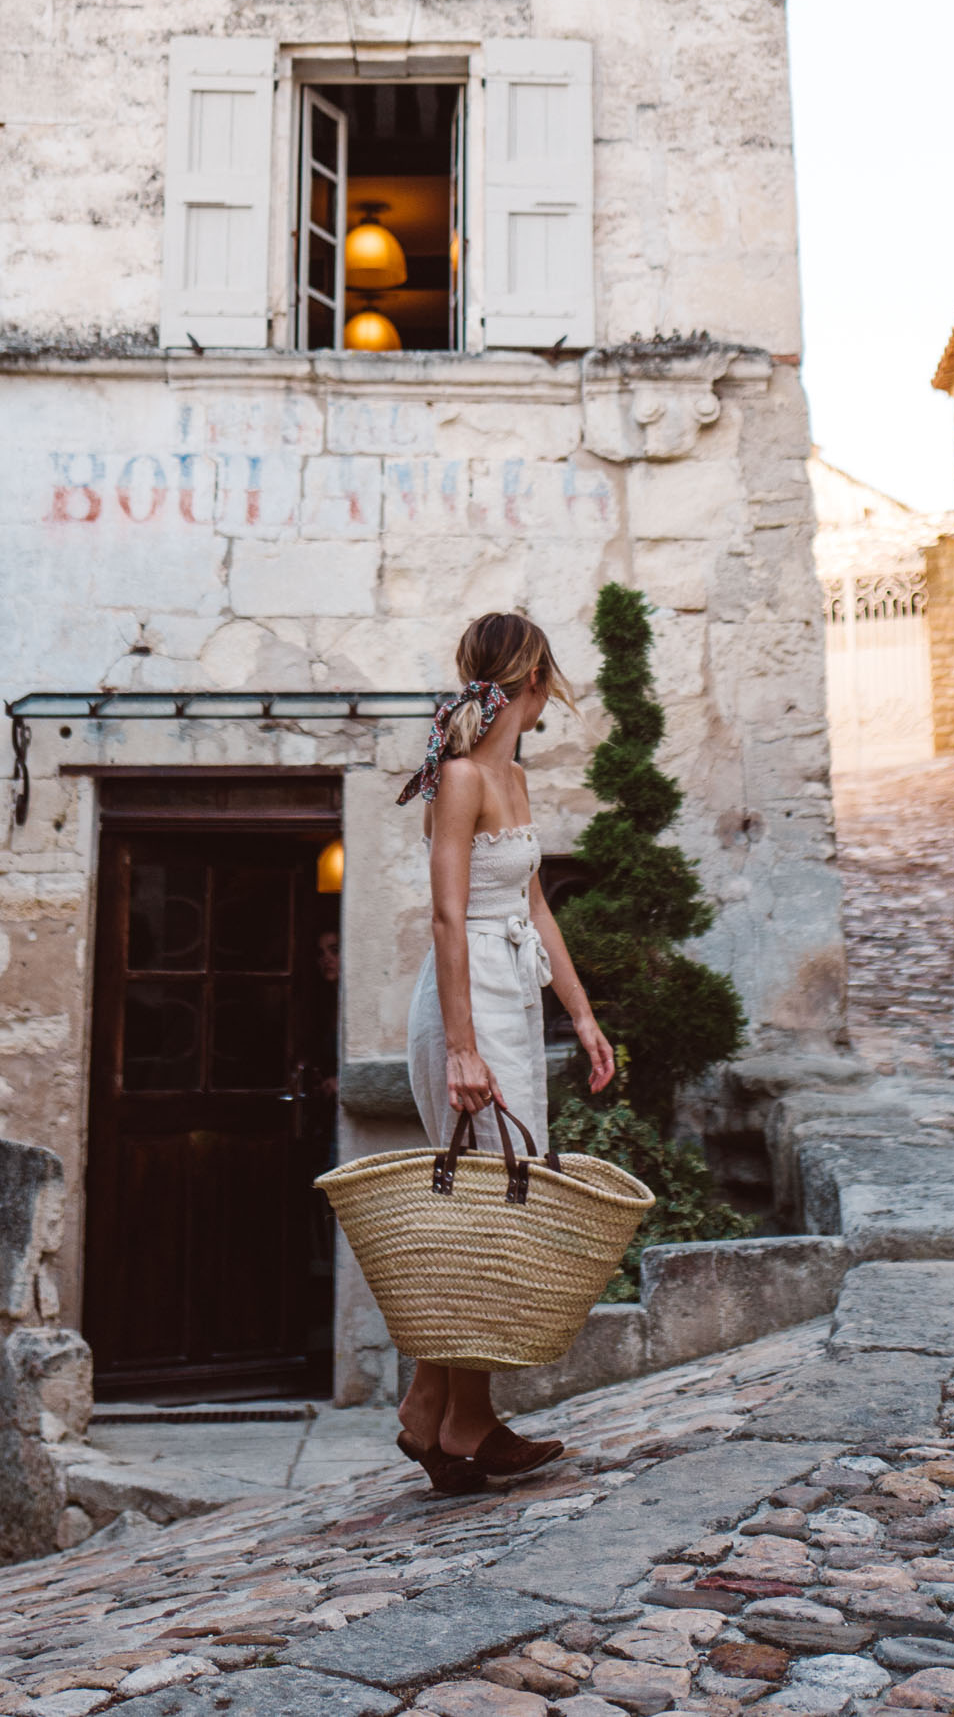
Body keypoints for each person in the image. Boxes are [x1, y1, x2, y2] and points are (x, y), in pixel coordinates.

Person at [398, 611, 617, 1494]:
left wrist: (585, 1016)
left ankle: (435, 1414)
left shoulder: (512, 778)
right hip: (464, 1006)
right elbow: (448, 915)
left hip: (510, 1000)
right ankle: (466, 1422)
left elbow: (535, 909)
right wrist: (460, 1049)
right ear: (534, 681)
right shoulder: (459, 779)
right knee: (487, 1208)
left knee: (494, 1204)